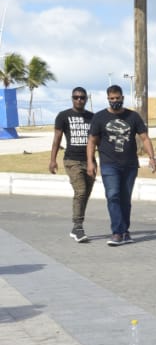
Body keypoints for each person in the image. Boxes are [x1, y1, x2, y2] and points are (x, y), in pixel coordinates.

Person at [86, 85, 156, 245]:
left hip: (130, 165)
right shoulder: (99, 117)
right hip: (109, 164)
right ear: (108, 99)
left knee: (125, 198)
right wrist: (90, 161)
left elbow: (145, 138)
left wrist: (152, 157)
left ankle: (125, 231)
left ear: (123, 98)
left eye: (117, 98)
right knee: (113, 195)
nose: (115, 101)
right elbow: (91, 141)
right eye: (112, 99)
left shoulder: (133, 117)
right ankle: (117, 232)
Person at [49, 86, 95, 242]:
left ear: (86, 99)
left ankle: (78, 225)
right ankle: (78, 227)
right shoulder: (63, 116)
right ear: (72, 98)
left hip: (89, 161)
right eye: (76, 97)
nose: (79, 100)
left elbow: (97, 141)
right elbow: (57, 140)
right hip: (72, 160)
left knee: (85, 194)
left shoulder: (92, 117)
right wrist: (52, 160)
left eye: (82, 97)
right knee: (81, 191)